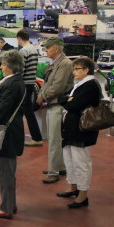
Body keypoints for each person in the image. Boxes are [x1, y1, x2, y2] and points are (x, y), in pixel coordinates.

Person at [0, 50, 26, 219]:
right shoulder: (16, 82)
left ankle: (6, 208)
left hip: (7, 132)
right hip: (11, 130)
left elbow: (2, 109)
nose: (1, 66)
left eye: (3, 64)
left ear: (10, 66)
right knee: (6, 170)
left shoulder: (11, 84)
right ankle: (8, 202)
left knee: (6, 171)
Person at [57, 57, 101, 208]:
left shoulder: (91, 85)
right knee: (69, 160)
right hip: (71, 130)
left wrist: (68, 101)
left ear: (86, 70)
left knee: (81, 162)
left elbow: (74, 105)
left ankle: (83, 195)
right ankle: (73, 187)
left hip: (82, 131)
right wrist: (67, 99)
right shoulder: (80, 85)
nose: (73, 72)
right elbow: (62, 98)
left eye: (77, 69)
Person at [38, 37, 74, 184]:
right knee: (55, 139)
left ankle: (53, 172)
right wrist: (42, 94)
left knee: (54, 140)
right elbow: (47, 83)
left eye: (47, 47)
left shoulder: (65, 64)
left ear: (56, 48)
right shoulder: (56, 63)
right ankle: (59, 166)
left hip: (58, 105)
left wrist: (42, 96)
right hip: (52, 104)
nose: (45, 50)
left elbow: (58, 86)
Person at [16, 29, 43, 146]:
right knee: (25, 110)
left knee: (25, 111)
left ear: (19, 38)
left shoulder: (23, 51)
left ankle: (36, 138)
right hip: (31, 82)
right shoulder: (33, 49)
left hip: (24, 83)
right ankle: (33, 137)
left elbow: (21, 69)